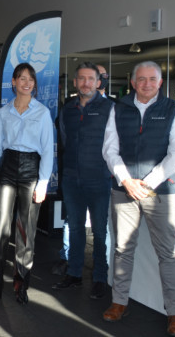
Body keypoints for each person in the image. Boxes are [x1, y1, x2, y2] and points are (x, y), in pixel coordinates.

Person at [101, 61, 175, 337]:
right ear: (133, 82)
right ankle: (119, 302)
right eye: (141, 79)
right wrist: (126, 180)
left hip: (160, 192)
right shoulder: (119, 108)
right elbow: (109, 149)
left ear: (160, 83)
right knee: (122, 250)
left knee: (169, 254)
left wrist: (147, 184)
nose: (147, 84)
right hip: (123, 190)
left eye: (152, 79)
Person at [0, 63, 54, 305]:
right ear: (13, 82)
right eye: (22, 78)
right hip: (7, 169)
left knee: (26, 231)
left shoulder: (42, 112)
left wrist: (42, 184)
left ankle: (21, 286)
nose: (27, 82)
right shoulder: (3, 113)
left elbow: (48, 151)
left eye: (31, 79)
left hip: (32, 170)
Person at [51, 62, 113, 300]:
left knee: (99, 231)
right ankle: (74, 274)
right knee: (75, 228)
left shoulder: (110, 108)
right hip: (72, 179)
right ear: (75, 82)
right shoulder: (67, 110)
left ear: (98, 82)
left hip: (99, 179)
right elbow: (64, 139)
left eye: (91, 79)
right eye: (81, 79)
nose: (86, 83)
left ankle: (99, 278)